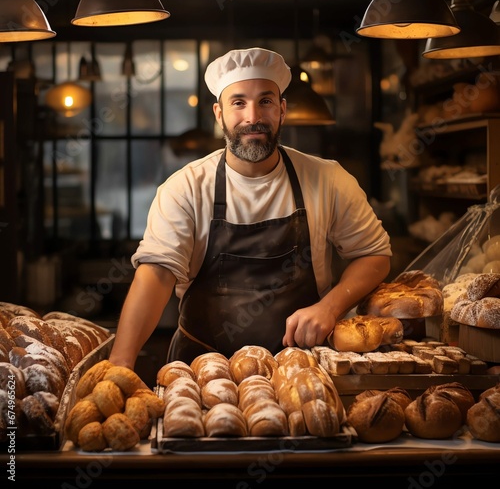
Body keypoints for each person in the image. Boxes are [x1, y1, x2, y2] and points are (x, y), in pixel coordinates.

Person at [109, 47, 392, 369]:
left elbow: (374, 254)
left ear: (282, 110)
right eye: (239, 102)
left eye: (266, 101)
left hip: (301, 365)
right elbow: (156, 275)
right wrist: (120, 363)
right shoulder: (185, 188)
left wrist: (330, 307)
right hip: (202, 365)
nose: (253, 117)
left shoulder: (328, 179)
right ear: (219, 114)